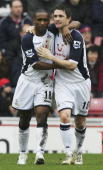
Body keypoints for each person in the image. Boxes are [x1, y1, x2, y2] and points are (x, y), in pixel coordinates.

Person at [37, 4, 91, 165]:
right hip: (61, 82)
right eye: (56, 16)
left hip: (80, 82)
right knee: (64, 116)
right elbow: (37, 26)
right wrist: (31, 29)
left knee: (80, 121)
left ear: (68, 19)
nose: (57, 19)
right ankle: (69, 155)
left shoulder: (76, 37)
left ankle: (79, 152)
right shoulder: (52, 31)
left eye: (61, 16)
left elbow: (72, 65)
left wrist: (50, 56)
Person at [12, 9, 56, 165]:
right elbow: (36, 64)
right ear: (34, 21)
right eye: (40, 20)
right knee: (24, 119)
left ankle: (39, 153)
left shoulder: (53, 31)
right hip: (28, 81)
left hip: (45, 82)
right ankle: (22, 153)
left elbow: (74, 24)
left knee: (42, 114)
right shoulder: (27, 38)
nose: (43, 23)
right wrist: (61, 65)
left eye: (46, 20)